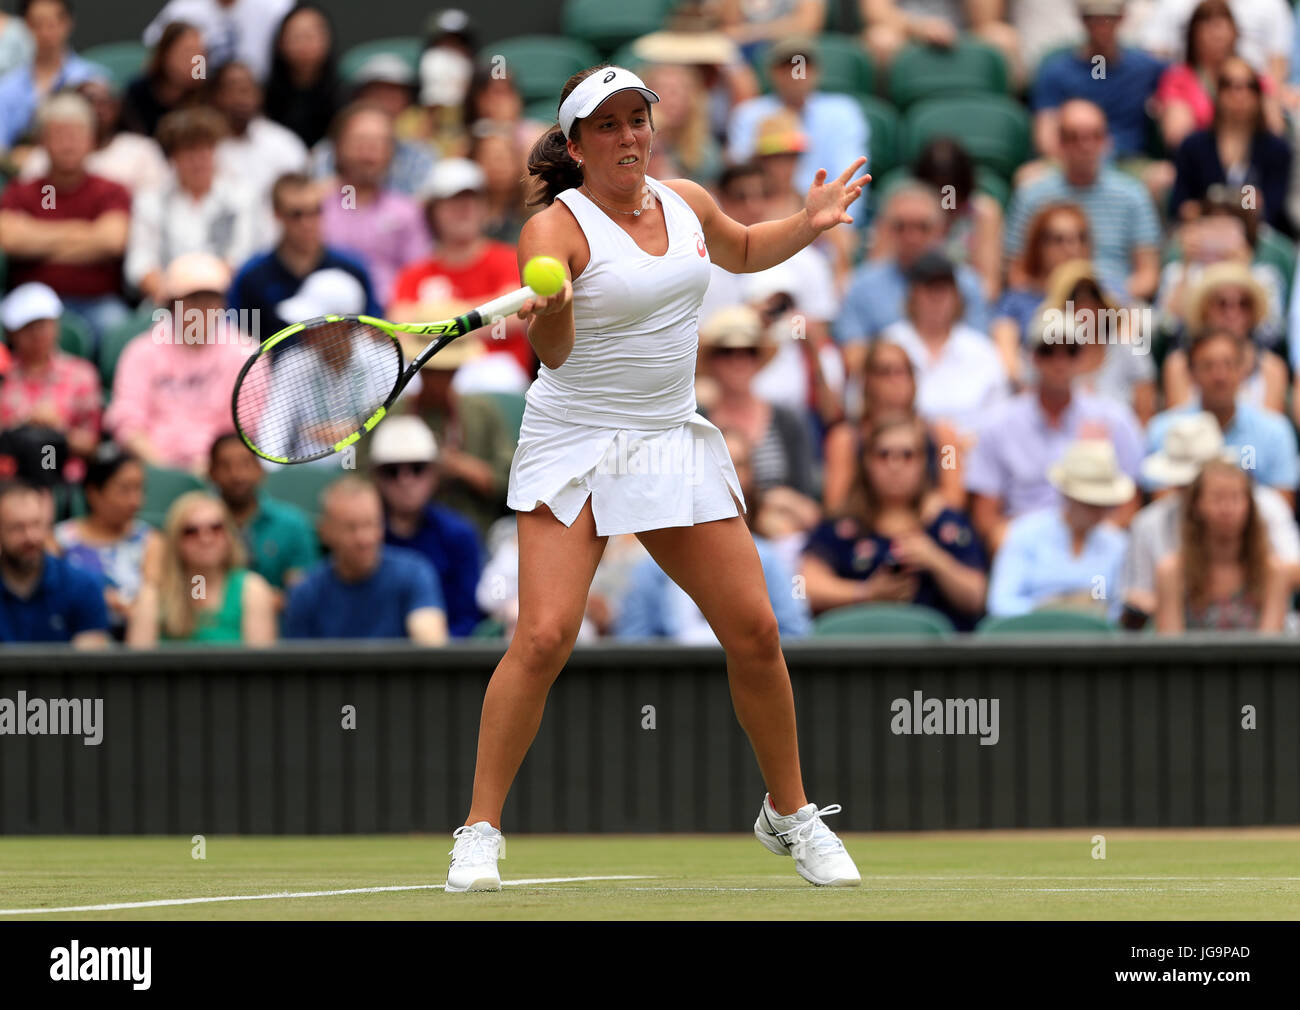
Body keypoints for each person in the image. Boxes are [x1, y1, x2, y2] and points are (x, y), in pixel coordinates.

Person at [446, 64, 870, 892]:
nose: (627, 136)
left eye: (636, 119)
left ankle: (790, 813)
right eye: (605, 126)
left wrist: (809, 224)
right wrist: (556, 302)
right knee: (541, 638)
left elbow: (743, 251)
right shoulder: (552, 232)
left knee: (756, 631)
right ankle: (479, 829)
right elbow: (554, 354)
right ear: (576, 146)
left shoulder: (687, 201)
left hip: (668, 439)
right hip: (574, 441)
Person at [616, 425, 812, 641]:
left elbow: (796, 635)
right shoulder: (649, 569)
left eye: (737, 464)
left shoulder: (771, 561)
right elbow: (632, 644)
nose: (726, 475)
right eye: (714, 463)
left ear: (751, 476)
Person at [966, 319, 1144, 552]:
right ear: (1032, 357)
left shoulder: (1115, 420)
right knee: (1001, 539)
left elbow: (1129, 504)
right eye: (1048, 351)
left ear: (1083, 358)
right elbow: (986, 516)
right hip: (1025, 545)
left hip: (1095, 542)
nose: (1059, 362)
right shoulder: (997, 425)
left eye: (1070, 351)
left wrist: (1087, 542)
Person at [800, 414, 988, 631]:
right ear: (867, 462)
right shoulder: (842, 527)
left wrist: (936, 561)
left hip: (938, 659)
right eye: (883, 455)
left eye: (907, 455)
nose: (895, 465)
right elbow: (802, 587)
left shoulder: (948, 526)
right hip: (858, 652)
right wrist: (865, 593)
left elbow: (977, 597)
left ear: (923, 463)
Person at [1124, 410, 1298, 622]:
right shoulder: (1149, 525)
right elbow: (1140, 597)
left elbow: (1294, 570)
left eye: (1233, 498)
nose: (1226, 509)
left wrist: (1247, 567)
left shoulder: (1268, 508)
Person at [105, 253, 254, 474]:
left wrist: (209, 467)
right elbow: (127, 420)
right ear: (173, 304)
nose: (203, 309)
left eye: (211, 300)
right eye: (194, 300)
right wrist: (163, 469)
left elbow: (245, 425)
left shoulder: (246, 353)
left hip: (220, 472)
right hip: (150, 470)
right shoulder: (140, 352)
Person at [0, 93, 132, 342]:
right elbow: (11, 240)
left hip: (97, 302)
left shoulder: (112, 190)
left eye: (76, 136)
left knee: (118, 328)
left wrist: (38, 241)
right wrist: (86, 233)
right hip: (29, 299)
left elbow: (112, 241)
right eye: (59, 136)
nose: (68, 145)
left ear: (92, 141)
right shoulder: (20, 190)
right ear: (42, 142)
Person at [388, 158, 534, 378]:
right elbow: (399, 329)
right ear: (432, 212)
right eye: (451, 202)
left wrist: (430, 319)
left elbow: (515, 316)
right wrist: (478, 315)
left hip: (494, 375)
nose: (464, 209)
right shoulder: (413, 273)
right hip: (428, 376)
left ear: (484, 207)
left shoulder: (510, 259)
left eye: (472, 200)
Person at [1004, 100, 1162, 302]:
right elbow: (1016, 273)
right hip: (1044, 302)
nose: (1086, 146)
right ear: (1059, 143)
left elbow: (1148, 276)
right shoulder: (1031, 195)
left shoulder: (1133, 194)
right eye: (1075, 138)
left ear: (1108, 141)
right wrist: (1064, 297)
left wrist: (1100, 298)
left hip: (1114, 304)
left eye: (1095, 136)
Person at [836, 182, 990, 376]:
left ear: (940, 230)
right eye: (901, 227)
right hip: (887, 392)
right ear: (886, 230)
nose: (911, 237)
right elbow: (854, 357)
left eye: (922, 227)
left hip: (958, 391)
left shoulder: (966, 283)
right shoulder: (862, 285)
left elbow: (980, 353)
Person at [281, 476, 448, 643]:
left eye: (371, 524)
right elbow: (297, 664)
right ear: (325, 532)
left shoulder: (414, 573)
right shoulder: (306, 592)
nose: (364, 539)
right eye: (351, 528)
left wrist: (427, 636)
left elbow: (430, 640)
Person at [125, 106, 264, 302]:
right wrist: (171, 296)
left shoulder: (241, 196)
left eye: (205, 149)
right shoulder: (150, 200)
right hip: (168, 303)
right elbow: (140, 263)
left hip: (226, 302)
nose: (198, 160)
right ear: (173, 157)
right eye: (189, 151)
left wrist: (204, 299)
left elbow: (241, 256)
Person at [1146, 327, 1298, 505]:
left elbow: (1282, 507)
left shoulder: (1275, 431)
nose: (1220, 376)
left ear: (1243, 371)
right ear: (1191, 373)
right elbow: (1162, 504)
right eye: (1208, 366)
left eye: (1228, 364)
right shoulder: (1164, 430)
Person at [986, 439, 1132, 620]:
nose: (1098, 512)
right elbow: (1001, 602)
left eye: (1104, 504)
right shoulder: (1025, 534)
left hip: (1093, 643)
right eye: (1089, 503)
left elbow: (1116, 608)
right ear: (1068, 496)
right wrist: (1054, 610)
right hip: (1031, 639)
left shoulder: (1116, 544)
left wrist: (1090, 612)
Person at [369, 416, 483, 639]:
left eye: (417, 468)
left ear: (435, 473)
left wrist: (433, 659)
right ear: (377, 477)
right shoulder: (362, 537)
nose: (405, 479)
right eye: (392, 470)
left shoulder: (459, 536)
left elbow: (470, 618)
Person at [227, 172, 381, 338]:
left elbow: (374, 332)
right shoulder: (251, 277)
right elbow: (237, 339)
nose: (307, 223)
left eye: (315, 211)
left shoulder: (353, 269)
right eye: (297, 214)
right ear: (277, 215)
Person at [879, 250, 1009, 440]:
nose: (936, 297)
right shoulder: (890, 343)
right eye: (928, 288)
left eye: (943, 288)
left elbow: (999, 418)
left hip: (969, 455)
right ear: (913, 294)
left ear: (956, 296)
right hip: (905, 455)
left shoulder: (982, 350)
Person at [399, 335, 517, 542]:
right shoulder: (393, 415)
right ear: (420, 370)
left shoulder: (482, 412)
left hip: (476, 534)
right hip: (404, 536)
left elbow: (512, 483)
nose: (439, 380)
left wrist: (459, 467)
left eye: (448, 372)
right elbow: (363, 481)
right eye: (431, 371)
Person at [695, 304, 817, 498]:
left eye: (749, 351)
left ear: (759, 359)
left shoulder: (788, 420)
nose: (738, 361)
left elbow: (807, 496)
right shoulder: (697, 421)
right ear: (710, 360)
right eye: (726, 352)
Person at [127, 490, 276, 646]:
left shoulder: (252, 590)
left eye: (216, 528)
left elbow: (261, 666)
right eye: (191, 531)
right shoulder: (152, 595)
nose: (206, 538)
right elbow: (136, 666)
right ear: (175, 540)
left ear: (229, 535)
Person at [726, 37, 869, 199]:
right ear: (772, 72)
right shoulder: (748, 114)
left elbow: (850, 174)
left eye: (804, 65)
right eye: (788, 66)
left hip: (829, 212)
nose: (797, 73)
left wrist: (840, 217)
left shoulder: (843, 111)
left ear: (817, 71)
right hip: (765, 212)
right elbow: (740, 178)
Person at [1155, 458, 1288, 631]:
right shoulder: (1172, 572)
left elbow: (1269, 646)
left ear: (1250, 506)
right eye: (1217, 498)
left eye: (1236, 498)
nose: (1227, 509)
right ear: (1197, 505)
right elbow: (1169, 650)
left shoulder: (1272, 572)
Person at [318, 102, 431, 304]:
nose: (369, 153)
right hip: (321, 323)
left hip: (390, 323)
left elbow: (418, 277)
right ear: (338, 146)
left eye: (379, 144)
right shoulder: (314, 206)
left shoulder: (406, 212)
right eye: (360, 142)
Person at [1169, 56, 1294, 238]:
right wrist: (1230, 208)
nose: (1239, 95)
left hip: (1259, 237)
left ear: (1258, 94)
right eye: (1230, 85)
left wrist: (1216, 206)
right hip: (1203, 236)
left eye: (1248, 86)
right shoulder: (1193, 146)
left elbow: (1272, 208)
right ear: (1218, 93)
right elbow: (1180, 205)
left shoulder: (1275, 148)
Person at [1031, 0, 1167, 164]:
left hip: (1128, 162)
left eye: (1109, 17)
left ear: (1122, 18)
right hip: (1071, 164)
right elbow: (1046, 137)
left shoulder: (1145, 66)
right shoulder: (1056, 71)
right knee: (1030, 177)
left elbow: (1182, 76)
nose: (1102, 25)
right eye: (1093, 18)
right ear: (1082, 20)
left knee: (1165, 176)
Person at [1026, 259, 1158, 423]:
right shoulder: (1040, 353)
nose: (1085, 305)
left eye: (1092, 294)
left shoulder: (1129, 350)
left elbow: (1144, 417)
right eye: (1075, 297)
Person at [53, 442, 160, 638]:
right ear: (94, 493)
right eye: (125, 489)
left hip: (132, 633)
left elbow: (152, 594)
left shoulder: (149, 540)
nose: (136, 500)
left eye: (139, 489)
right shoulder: (59, 540)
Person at [16, 74, 171, 199]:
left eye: (104, 102)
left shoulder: (142, 150)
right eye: (88, 101)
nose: (96, 110)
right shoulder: (42, 157)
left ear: (116, 108)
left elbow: (156, 209)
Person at [1161, 261, 1287, 412]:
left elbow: (1272, 430)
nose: (1233, 313)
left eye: (1244, 304)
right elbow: (1178, 425)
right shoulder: (1179, 365)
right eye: (1222, 304)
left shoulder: (1273, 368)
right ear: (1204, 309)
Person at [1154, 0, 1279, 151]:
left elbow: (1275, 132)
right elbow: (1178, 140)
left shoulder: (1252, 77)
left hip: (1251, 163)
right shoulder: (1178, 79)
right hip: (1201, 167)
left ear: (1234, 32)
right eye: (1209, 26)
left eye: (1223, 25)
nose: (1217, 34)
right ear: (1193, 34)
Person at [991, 202, 1094, 386]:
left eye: (1080, 238)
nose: (1072, 249)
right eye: (1059, 240)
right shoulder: (1015, 302)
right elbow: (1009, 364)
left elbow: (1126, 351)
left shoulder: (1106, 297)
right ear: (1038, 246)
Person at [207, 432, 318, 597]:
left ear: (260, 470)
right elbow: (192, 590)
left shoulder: (292, 525)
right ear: (211, 473)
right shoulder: (198, 528)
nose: (236, 475)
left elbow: (305, 593)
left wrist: (273, 602)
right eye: (225, 465)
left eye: (245, 464)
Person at [0, 479, 108, 645]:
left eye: (37, 524)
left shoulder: (83, 585)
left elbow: (89, 666)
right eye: (17, 528)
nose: (31, 537)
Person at [0, 283, 100, 459]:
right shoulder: (3, 373)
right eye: (28, 327)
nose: (37, 334)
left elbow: (92, 446)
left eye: (43, 325)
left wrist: (58, 431)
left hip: (63, 475)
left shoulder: (81, 374)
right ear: (11, 333)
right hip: (9, 475)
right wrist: (23, 425)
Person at [911, 138, 1005, 303]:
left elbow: (989, 287)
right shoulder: (904, 214)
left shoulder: (984, 214)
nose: (946, 199)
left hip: (966, 306)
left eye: (950, 190)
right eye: (938, 190)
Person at [0, 0, 99, 151]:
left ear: (68, 23)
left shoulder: (93, 79)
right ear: (24, 26)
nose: (45, 33)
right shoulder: (6, 88)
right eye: (37, 24)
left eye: (52, 24)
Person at [211, 60, 309, 210]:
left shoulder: (284, 143)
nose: (240, 97)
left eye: (246, 89)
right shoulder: (203, 148)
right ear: (216, 96)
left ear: (259, 95)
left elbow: (301, 199)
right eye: (232, 88)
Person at [143, 0, 294, 82]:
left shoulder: (275, 5)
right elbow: (157, 47)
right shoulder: (184, 7)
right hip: (199, 93)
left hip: (262, 93)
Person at [262, 2, 341, 149]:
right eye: (297, 37)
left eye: (311, 36)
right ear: (280, 42)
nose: (304, 45)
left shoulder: (343, 97)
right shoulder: (263, 98)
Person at [120, 20, 207, 140]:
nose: (194, 62)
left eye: (200, 54)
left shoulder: (207, 96)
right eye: (187, 52)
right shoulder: (138, 92)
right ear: (165, 53)